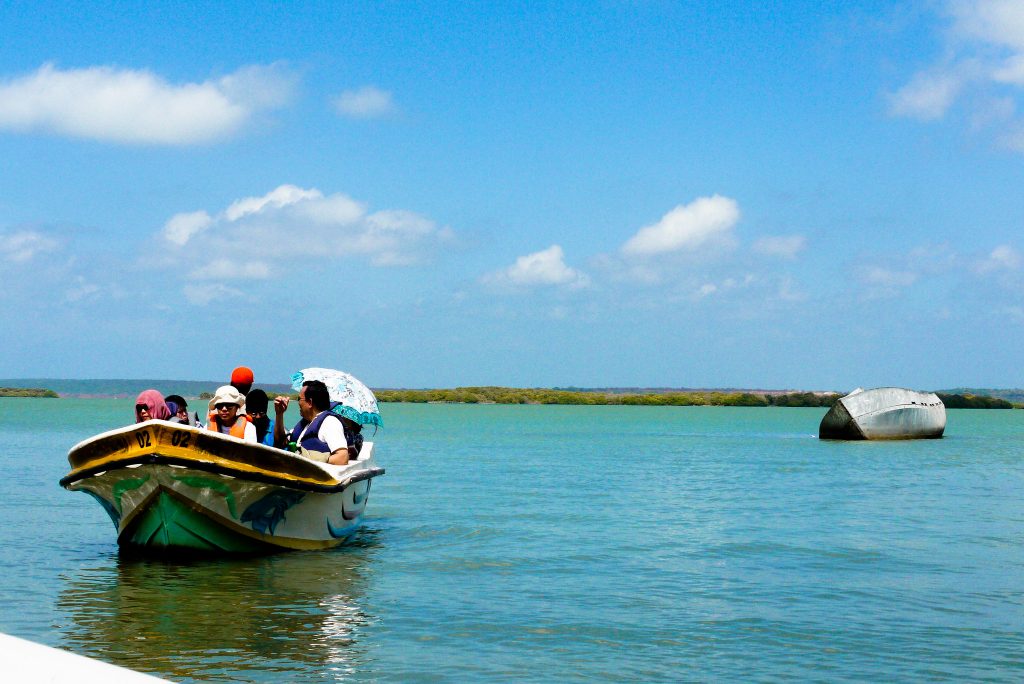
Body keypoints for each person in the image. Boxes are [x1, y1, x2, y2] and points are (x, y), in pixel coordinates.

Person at [273, 380, 352, 464]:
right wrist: (279, 414)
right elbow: (280, 443)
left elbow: (342, 458)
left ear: (310, 402)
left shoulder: (330, 423)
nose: (298, 403)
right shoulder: (305, 424)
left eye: (299, 399)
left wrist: (312, 460)